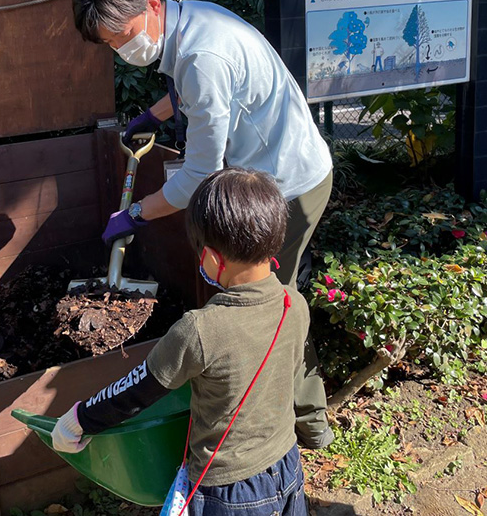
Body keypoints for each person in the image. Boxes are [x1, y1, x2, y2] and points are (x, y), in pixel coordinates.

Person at [51, 168, 333, 516]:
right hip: (286, 466)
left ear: (213, 259)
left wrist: (81, 418)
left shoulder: (201, 330)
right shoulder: (294, 304)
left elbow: (135, 391)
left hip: (230, 491)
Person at [72, 0, 333, 289]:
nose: (121, 48)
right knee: (272, 290)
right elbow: (201, 91)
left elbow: (200, 174)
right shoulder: (191, 18)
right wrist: (154, 116)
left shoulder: (200, 57)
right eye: (110, 43)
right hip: (284, 164)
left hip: (290, 184)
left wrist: (137, 213)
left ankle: (291, 339)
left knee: (264, 297)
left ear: (152, 5)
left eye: (123, 35)